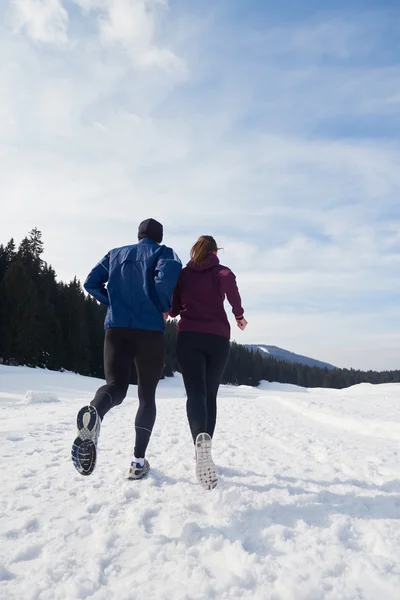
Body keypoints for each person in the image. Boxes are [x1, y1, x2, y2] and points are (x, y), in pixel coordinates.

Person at [71, 218, 182, 480]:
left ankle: (95, 412)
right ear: (159, 237)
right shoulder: (165, 253)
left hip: (116, 329)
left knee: (115, 386)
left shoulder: (115, 253)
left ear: (138, 234)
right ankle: (137, 461)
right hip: (149, 331)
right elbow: (165, 281)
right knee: (146, 396)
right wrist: (163, 305)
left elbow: (90, 283)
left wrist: (113, 303)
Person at [169, 235, 247, 490]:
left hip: (188, 337)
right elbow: (229, 284)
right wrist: (239, 315)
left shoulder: (183, 274)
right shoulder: (221, 271)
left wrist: (172, 309)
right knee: (210, 395)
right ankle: (205, 449)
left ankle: (198, 445)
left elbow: (174, 309)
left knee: (195, 395)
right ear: (215, 251)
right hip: (217, 338)